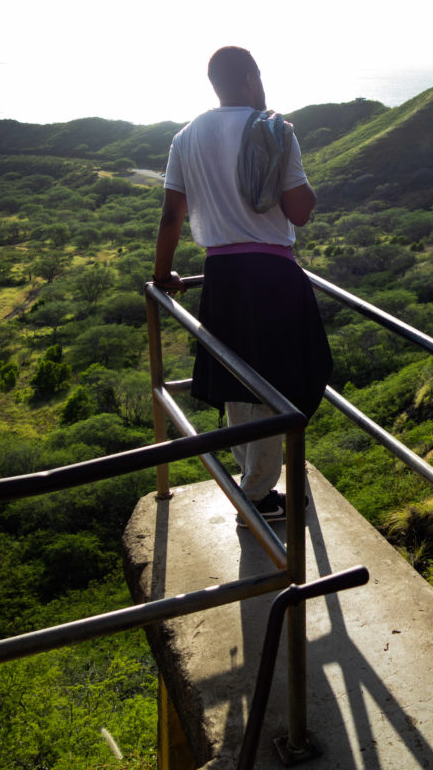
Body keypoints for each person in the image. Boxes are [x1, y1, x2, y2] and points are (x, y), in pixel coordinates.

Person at [153, 46, 332, 521]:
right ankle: (257, 496)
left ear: (214, 83)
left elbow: (171, 215)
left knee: (238, 381)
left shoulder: (185, 136)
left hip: (221, 276)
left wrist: (162, 274)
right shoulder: (274, 130)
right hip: (271, 276)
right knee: (279, 385)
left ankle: (252, 479)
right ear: (252, 78)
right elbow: (300, 211)